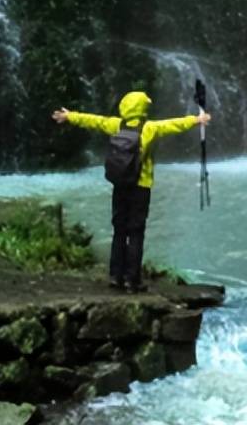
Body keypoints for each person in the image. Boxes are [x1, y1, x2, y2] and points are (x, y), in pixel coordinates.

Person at [52, 90, 211, 292]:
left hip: (120, 185)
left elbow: (94, 121)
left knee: (119, 230)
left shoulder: (116, 125)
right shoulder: (150, 128)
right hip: (140, 187)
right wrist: (197, 120)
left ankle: (115, 276)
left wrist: (69, 116)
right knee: (136, 233)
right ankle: (131, 281)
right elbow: (174, 124)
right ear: (143, 108)